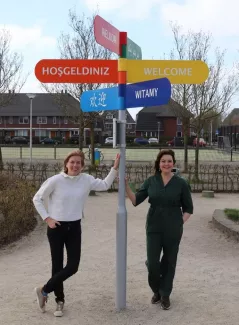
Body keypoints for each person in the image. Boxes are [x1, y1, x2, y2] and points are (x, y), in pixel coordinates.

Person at [32, 150, 120, 317]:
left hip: (74, 227)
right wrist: (47, 219)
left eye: (78, 162)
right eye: (72, 162)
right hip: (56, 227)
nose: (75, 165)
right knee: (57, 265)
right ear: (66, 164)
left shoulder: (86, 180)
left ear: (82, 165)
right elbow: (37, 198)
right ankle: (59, 301)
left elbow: (104, 185)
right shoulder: (55, 180)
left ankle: (43, 290)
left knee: (73, 266)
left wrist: (114, 168)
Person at [125, 149, 193, 310]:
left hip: (173, 228)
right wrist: (126, 186)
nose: (166, 164)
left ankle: (164, 294)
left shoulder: (181, 183)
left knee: (169, 262)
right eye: (163, 161)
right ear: (159, 163)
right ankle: (157, 289)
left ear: (173, 164)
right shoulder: (151, 181)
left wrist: (179, 223)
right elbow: (135, 200)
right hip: (154, 226)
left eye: (169, 161)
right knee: (153, 263)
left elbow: (189, 208)